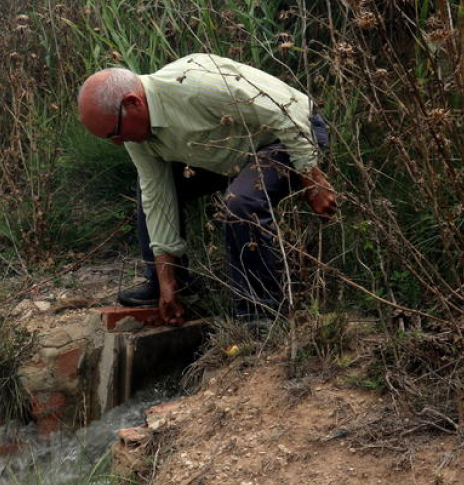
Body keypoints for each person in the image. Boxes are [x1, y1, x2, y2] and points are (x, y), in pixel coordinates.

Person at [77, 54, 337, 327]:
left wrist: (313, 178)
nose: (118, 143)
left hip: (289, 134)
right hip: (230, 157)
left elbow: (285, 112)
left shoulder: (195, 85)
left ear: (133, 102)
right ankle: (172, 288)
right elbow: (157, 195)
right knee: (147, 191)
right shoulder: (133, 130)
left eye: (114, 133)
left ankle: (259, 314)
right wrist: (167, 279)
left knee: (240, 202)